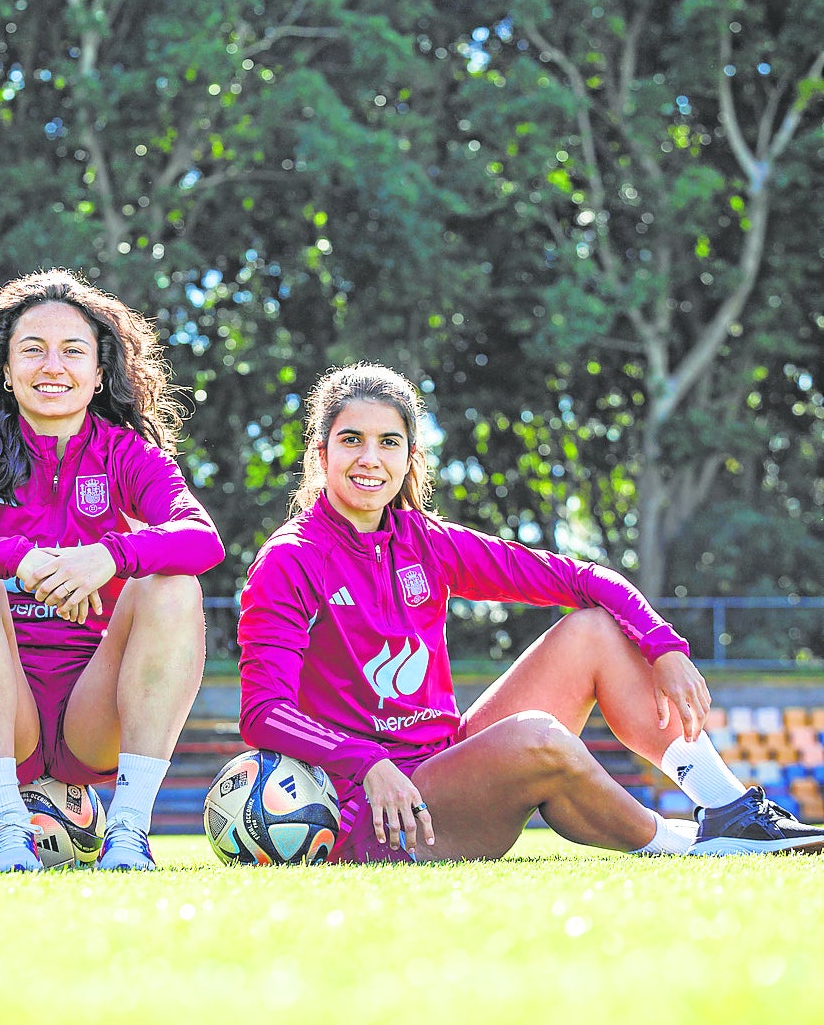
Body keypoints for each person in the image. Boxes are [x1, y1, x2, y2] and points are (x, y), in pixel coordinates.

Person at [237, 362, 824, 863]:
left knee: (594, 628)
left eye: (389, 442)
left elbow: (581, 577)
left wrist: (662, 645)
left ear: (410, 457)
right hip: (375, 808)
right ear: (321, 453)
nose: (370, 458)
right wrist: (365, 763)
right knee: (535, 737)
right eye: (351, 440)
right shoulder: (291, 560)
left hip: (448, 766)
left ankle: (728, 809)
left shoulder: (427, 542)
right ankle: (690, 846)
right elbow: (264, 713)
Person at [0, 270, 225, 871]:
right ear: (6, 369)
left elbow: (202, 539)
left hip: (92, 717)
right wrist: (20, 560)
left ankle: (128, 834)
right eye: (33, 350)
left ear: (100, 374)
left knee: (173, 585)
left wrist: (109, 557)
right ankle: (9, 833)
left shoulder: (128, 454)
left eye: (73, 352)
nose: (53, 367)